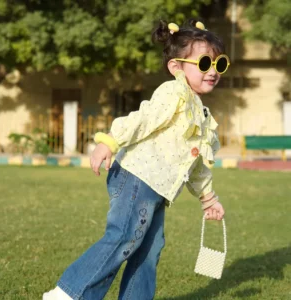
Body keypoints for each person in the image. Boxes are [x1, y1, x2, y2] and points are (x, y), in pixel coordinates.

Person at [43, 18, 228, 300]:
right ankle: (69, 294)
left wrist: (208, 199)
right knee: (124, 237)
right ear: (176, 67)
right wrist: (109, 141)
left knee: (149, 249)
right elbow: (142, 119)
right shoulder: (174, 93)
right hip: (137, 178)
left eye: (219, 64)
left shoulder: (201, 115)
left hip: (157, 190)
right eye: (204, 64)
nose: (213, 71)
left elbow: (198, 164)